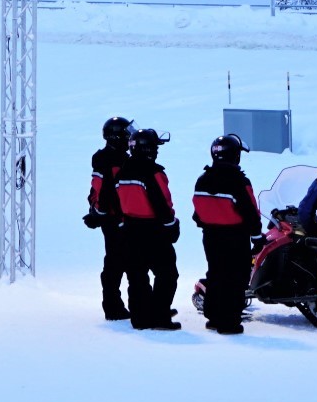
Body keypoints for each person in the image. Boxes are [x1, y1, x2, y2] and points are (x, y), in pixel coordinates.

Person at [85, 119, 181, 329]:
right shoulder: (106, 160)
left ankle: (145, 310)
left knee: (134, 269)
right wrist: (100, 213)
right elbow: (102, 189)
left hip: (126, 221)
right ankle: (117, 307)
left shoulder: (125, 162)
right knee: (118, 265)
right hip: (121, 220)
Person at [192, 134, 261, 335]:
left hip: (211, 236)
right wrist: (256, 236)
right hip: (235, 236)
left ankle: (213, 317)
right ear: (235, 156)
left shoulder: (203, 179)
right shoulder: (239, 181)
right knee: (236, 278)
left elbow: (197, 214)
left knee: (215, 273)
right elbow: (251, 211)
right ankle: (229, 322)